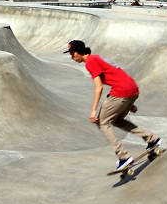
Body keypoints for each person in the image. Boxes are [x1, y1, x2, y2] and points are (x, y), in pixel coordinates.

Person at [65, 40, 161, 171]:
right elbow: (119, 75)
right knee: (117, 120)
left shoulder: (90, 62)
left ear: (77, 52)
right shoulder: (97, 58)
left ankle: (123, 156)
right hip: (131, 89)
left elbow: (98, 87)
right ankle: (152, 139)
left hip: (121, 92)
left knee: (102, 123)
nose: (71, 58)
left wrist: (93, 111)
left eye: (71, 54)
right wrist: (129, 101)